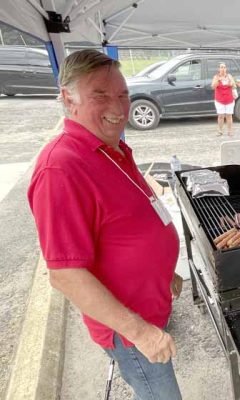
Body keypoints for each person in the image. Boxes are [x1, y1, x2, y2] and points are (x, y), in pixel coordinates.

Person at [28, 50, 183, 400]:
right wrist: (141, 333)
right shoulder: (61, 169)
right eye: (100, 95)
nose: (118, 107)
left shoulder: (110, 148)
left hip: (148, 307)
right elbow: (65, 274)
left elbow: (127, 224)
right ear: (69, 99)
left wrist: (163, 271)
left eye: (123, 94)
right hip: (130, 331)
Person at [211, 62, 236, 136]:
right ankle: (220, 131)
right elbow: (213, 87)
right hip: (219, 100)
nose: (223, 69)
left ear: (226, 69)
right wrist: (218, 81)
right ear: (219, 69)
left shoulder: (229, 76)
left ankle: (230, 131)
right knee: (221, 116)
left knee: (229, 116)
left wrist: (230, 83)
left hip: (229, 99)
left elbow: (234, 85)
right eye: (221, 67)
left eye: (224, 67)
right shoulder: (216, 77)